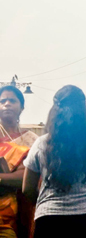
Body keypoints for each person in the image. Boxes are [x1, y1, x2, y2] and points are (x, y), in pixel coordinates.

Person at [21, 85, 86, 238]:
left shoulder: (41, 144)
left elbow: (27, 189)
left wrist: (45, 203)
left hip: (49, 221)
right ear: (84, 109)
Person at [0, 84, 39, 238]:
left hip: (24, 205)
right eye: (2, 101)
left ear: (22, 107)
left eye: (12, 101)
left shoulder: (32, 140)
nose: (6, 104)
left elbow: (37, 175)